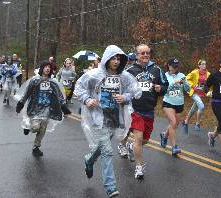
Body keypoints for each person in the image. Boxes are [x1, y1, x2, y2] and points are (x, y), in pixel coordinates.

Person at [75, 45, 141, 197]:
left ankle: (89, 160)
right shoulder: (94, 75)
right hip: (98, 118)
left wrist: (124, 97)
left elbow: (135, 91)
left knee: (101, 147)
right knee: (107, 151)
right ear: (106, 59)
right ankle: (110, 186)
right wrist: (87, 99)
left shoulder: (124, 77)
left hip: (115, 117)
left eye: (119, 58)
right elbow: (79, 87)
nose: (116, 61)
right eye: (113, 58)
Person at [123, 44, 167, 179]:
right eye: (142, 53)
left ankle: (131, 147)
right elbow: (123, 88)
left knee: (145, 140)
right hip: (134, 109)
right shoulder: (130, 71)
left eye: (147, 53)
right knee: (138, 137)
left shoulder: (157, 69)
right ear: (137, 55)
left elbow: (166, 85)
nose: (146, 55)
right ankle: (138, 167)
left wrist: (161, 88)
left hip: (149, 109)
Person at [15, 60, 65, 157]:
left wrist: (63, 106)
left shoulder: (53, 82)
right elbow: (27, 93)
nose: (47, 68)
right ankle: (28, 127)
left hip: (47, 109)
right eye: (46, 67)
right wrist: (20, 103)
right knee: (35, 127)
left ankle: (36, 147)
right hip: (35, 108)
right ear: (42, 68)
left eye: (49, 67)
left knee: (42, 129)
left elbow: (59, 95)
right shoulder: (35, 80)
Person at [159, 58, 190, 156]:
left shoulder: (182, 75)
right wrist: (174, 83)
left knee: (175, 124)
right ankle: (174, 147)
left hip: (179, 103)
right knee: (173, 122)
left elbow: (187, 89)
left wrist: (185, 83)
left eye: (177, 66)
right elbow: (163, 90)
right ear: (169, 65)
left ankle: (164, 135)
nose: (175, 68)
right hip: (168, 102)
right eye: (173, 66)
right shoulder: (164, 76)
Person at [182, 59, 212, 133]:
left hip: (202, 94)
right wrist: (193, 86)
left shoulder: (208, 74)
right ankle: (197, 123)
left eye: (205, 64)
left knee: (194, 108)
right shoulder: (195, 72)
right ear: (199, 65)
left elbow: (211, 84)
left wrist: (210, 91)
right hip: (194, 93)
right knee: (201, 106)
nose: (204, 65)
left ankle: (185, 122)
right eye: (202, 64)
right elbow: (186, 79)